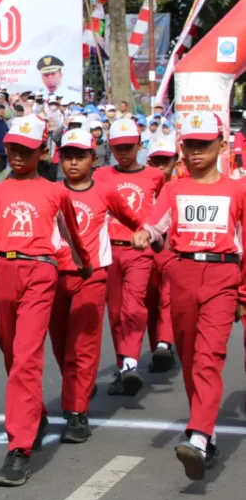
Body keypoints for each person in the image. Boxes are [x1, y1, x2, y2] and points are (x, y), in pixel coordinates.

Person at [0, 115, 90, 487]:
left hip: (41, 273)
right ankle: (35, 414)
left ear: (43, 151)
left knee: (26, 356)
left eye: (26, 149)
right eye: (12, 148)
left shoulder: (56, 192)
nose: (18, 155)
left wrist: (84, 267)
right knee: (12, 355)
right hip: (3, 274)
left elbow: (72, 236)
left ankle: (18, 449)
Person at [131, 111, 246, 480]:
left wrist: (243, 291)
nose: (195, 151)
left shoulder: (238, 189)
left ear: (222, 145)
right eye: (190, 144)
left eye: (204, 144)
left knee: (208, 358)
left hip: (223, 274)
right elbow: (156, 222)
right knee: (192, 355)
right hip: (182, 274)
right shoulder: (174, 188)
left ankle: (198, 436)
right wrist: (145, 234)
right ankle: (205, 431)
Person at [50, 128, 141, 444]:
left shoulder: (105, 192)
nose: (73, 163)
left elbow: (134, 221)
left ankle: (77, 414)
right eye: (67, 156)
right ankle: (77, 390)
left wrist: (146, 236)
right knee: (61, 346)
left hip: (92, 277)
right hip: (54, 278)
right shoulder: (50, 191)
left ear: (93, 158)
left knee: (83, 346)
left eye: (80, 156)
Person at [94, 119, 165, 396]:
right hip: (108, 250)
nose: (122, 152)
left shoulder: (154, 176)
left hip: (139, 250)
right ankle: (124, 367)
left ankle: (131, 362)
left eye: (128, 146)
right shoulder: (101, 175)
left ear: (140, 145)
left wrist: (159, 239)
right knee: (114, 313)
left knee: (133, 306)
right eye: (117, 147)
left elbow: (161, 211)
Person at [142, 134, 178, 374]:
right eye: (155, 161)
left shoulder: (181, 187)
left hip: (173, 253)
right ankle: (159, 349)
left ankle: (165, 342)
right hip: (145, 254)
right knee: (150, 304)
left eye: (166, 161)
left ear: (175, 160)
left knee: (168, 299)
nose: (161, 167)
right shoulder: (143, 188)